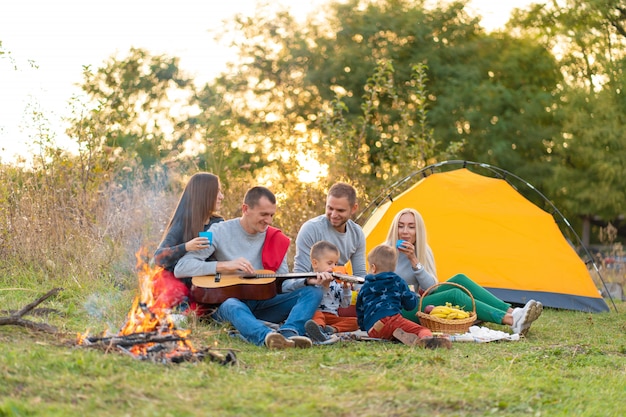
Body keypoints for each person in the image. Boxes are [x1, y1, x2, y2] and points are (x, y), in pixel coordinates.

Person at [174, 186, 323, 349]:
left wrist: (306, 281)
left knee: (313, 291)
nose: (269, 221)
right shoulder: (217, 231)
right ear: (245, 209)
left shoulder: (277, 239)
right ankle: (266, 337)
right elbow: (181, 267)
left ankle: (289, 333)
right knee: (232, 304)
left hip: (264, 303)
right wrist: (224, 266)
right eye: (263, 214)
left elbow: (283, 283)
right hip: (229, 305)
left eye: (272, 215)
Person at [385, 208, 543, 335]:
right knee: (454, 294)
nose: (405, 231)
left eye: (411, 227)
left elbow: (430, 288)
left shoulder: (422, 250)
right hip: (399, 310)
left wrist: (414, 261)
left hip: (417, 300)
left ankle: (515, 312)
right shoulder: (385, 251)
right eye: (401, 226)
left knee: (459, 279)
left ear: (418, 230)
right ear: (395, 228)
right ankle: (511, 320)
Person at [151, 172, 224, 311]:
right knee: (180, 297)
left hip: (202, 281)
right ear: (205, 195)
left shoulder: (218, 223)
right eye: (217, 192)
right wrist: (186, 247)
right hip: (175, 280)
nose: (221, 196)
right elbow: (158, 257)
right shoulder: (182, 223)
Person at [356, 244, 451, 349]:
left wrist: (364, 327)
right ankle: (427, 340)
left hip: (373, 330)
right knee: (421, 330)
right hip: (392, 319)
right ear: (394, 267)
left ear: (373, 268)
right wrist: (413, 294)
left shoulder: (365, 286)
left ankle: (398, 335)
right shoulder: (398, 281)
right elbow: (410, 305)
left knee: (394, 329)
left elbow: (360, 309)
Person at [284, 182, 367, 296]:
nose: (333, 214)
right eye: (330, 208)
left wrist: (360, 292)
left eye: (340, 210)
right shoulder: (311, 229)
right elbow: (299, 276)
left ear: (353, 208)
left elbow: (360, 275)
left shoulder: (357, 233)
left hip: (338, 294)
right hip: (311, 292)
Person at [303, 241, 359, 343]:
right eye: (329, 263)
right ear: (315, 263)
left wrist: (346, 287)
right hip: (317, 314)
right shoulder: (311, 280)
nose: (333, 267)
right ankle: (318, 329)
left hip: (332, 317)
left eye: (336, 263)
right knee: (316, 316)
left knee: (355, 322)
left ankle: (330, 330)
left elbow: (345, 304)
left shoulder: (336, 283)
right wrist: (324, 285)